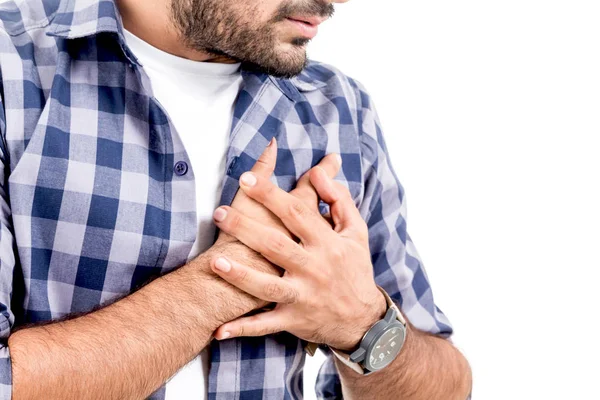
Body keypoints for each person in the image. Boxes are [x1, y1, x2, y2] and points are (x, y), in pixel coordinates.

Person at [0, 0, 472, 398]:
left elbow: (446, 384)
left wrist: (363, 324)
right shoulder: (14, 67)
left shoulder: (336, 109)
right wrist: (226, 283)